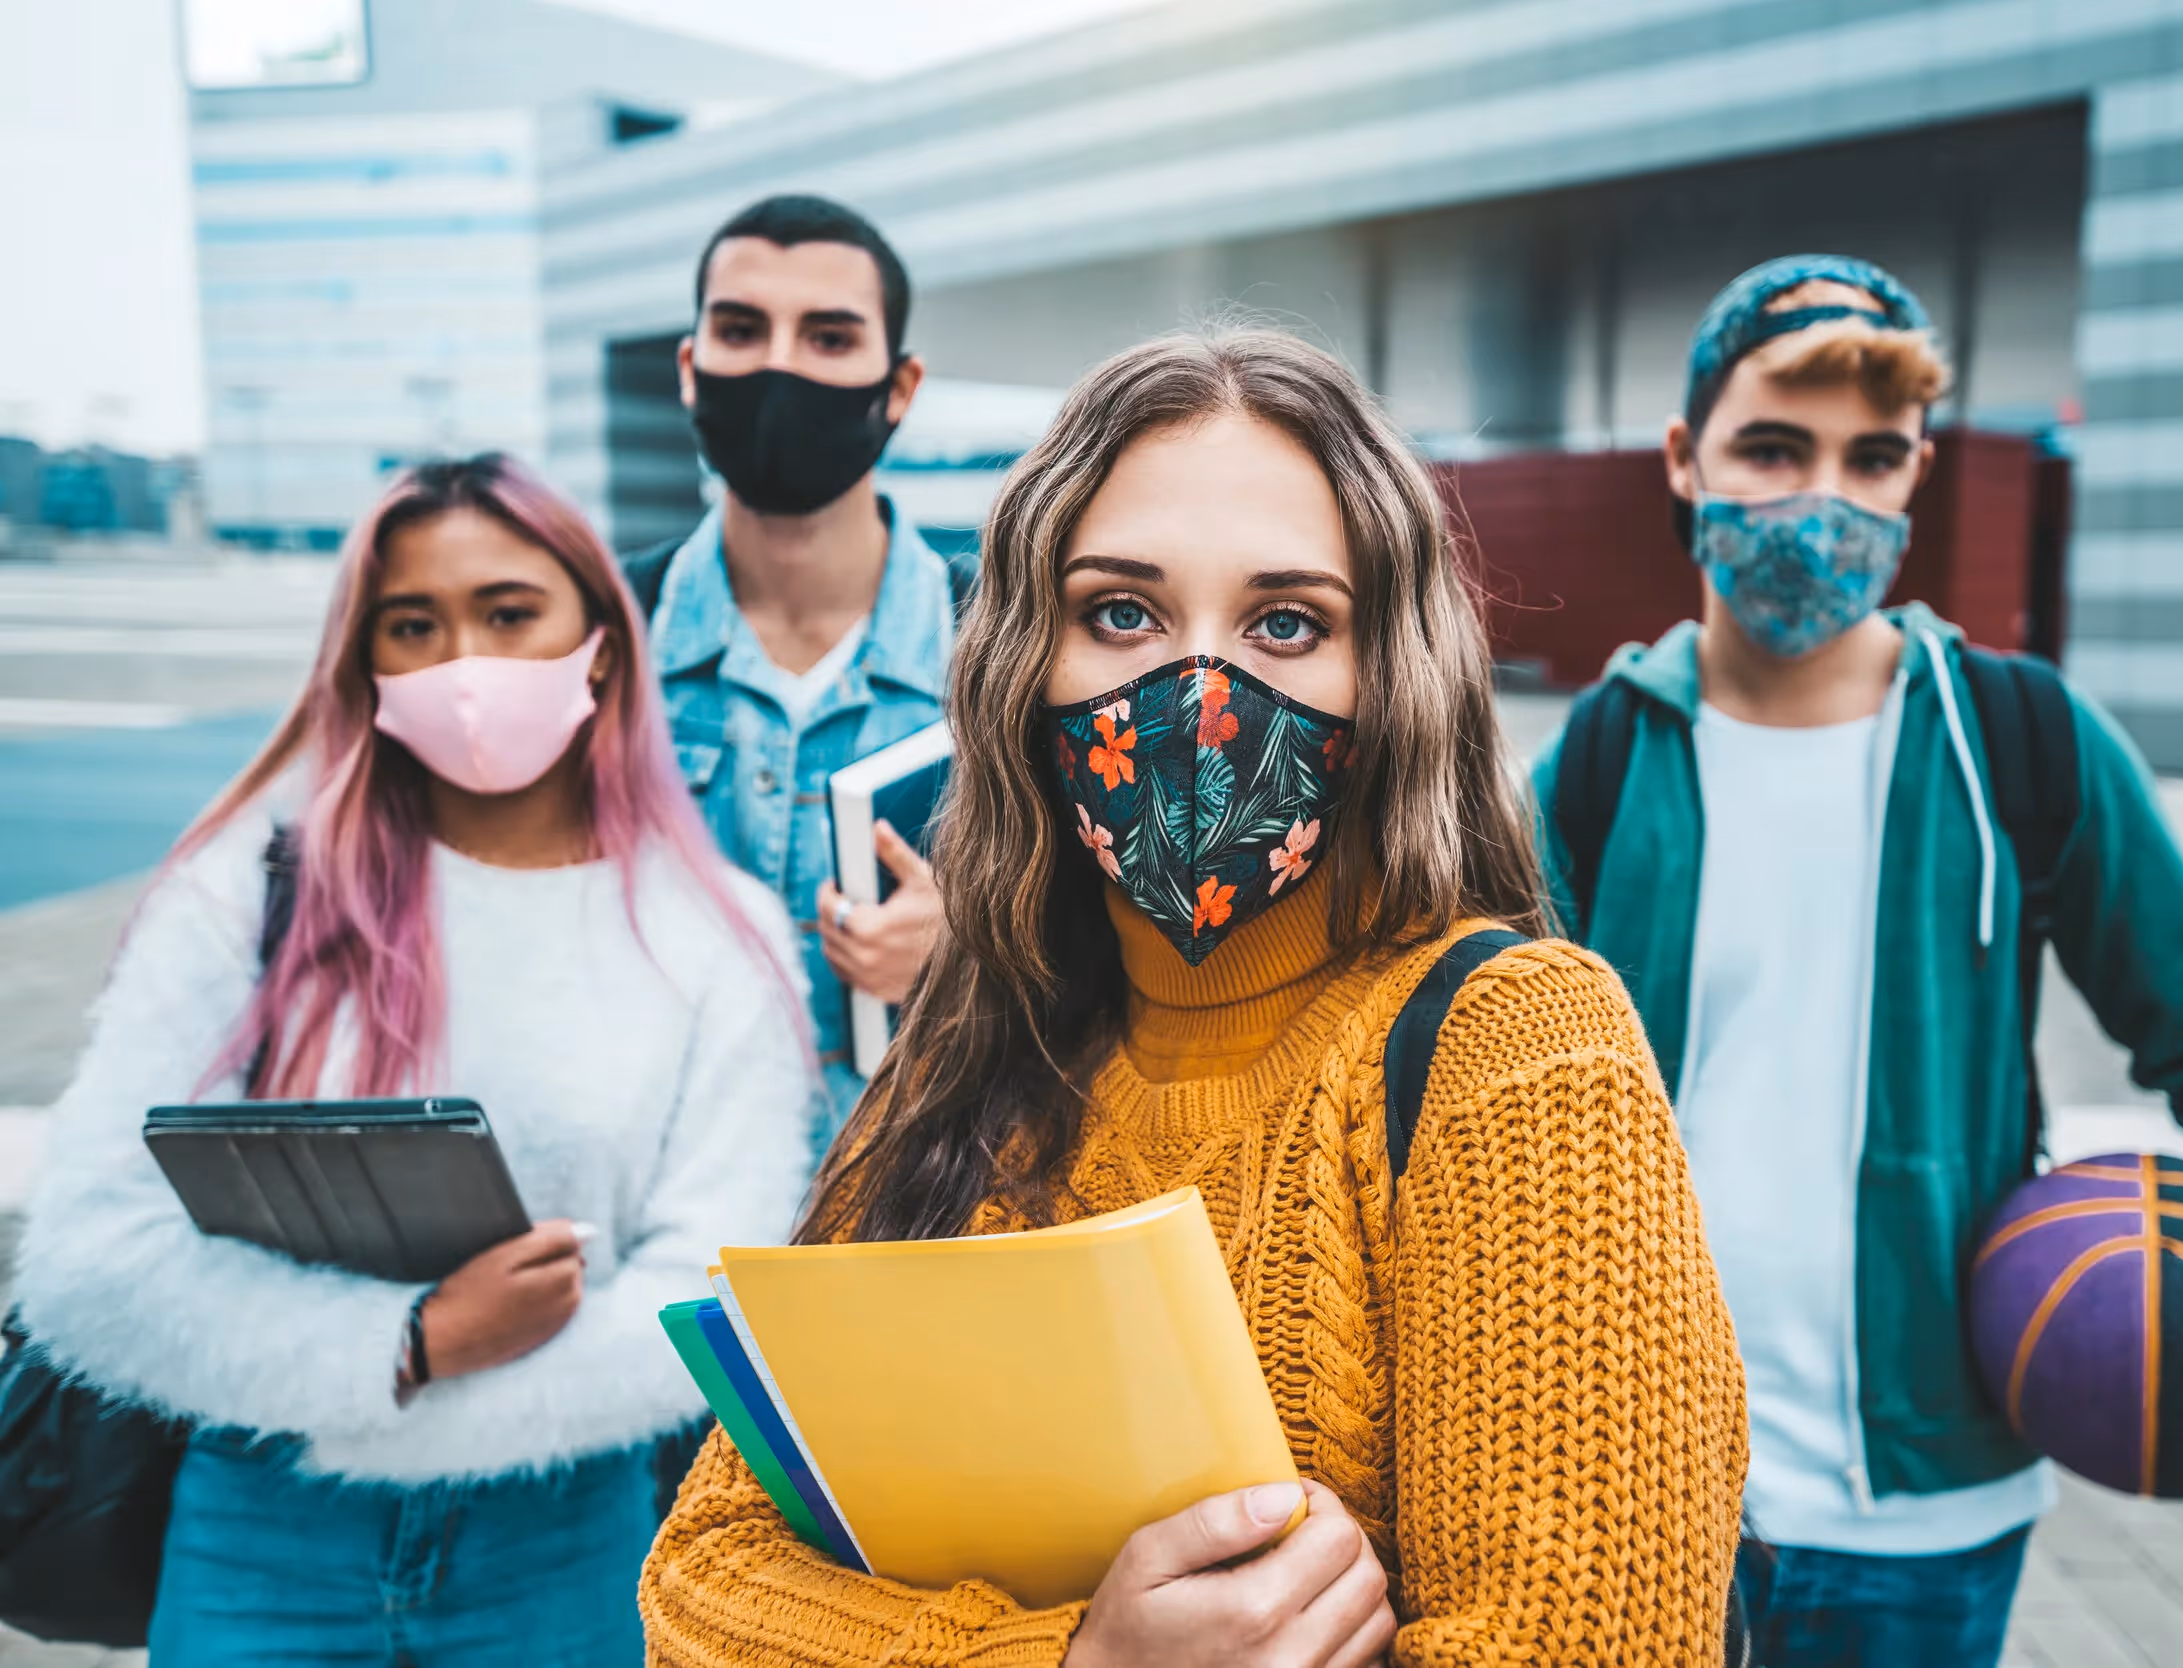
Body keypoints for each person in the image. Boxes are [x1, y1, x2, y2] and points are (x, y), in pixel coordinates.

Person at [638, 328, 1750, 1665]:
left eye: (1287, 623)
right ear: (1023, 668)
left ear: (1389, 679)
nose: (1201, 695)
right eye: (1122, 613)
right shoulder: (969, 1046)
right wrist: (1073, 1660)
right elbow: (701, 1582)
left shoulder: (1509, 1048)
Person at [1528, 254, 2183, 1667]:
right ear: (1682, 459)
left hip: (1924, 1514)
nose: (1821, 499)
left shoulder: (2020, 737)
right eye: (1771, 448)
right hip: (1626, 1492)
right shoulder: (1599, 759)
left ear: (1917, 476)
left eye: (1870, 458)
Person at [11, 454, 817, 1665]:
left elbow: (711, 1292)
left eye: (509, 612)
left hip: (566, 1544)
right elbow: (90, 1262)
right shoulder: (248, 894)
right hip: (259, 1530)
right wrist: (414, 1342)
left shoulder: (718, 934)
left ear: (601, 645)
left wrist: (415, 1387)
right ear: (366, 664)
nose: (464, 663)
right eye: (412, 625)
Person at [638, 192, 962, 1145]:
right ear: (691, 368)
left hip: (917, 1197)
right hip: (671, 1200)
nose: (780, 366)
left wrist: (971, 955)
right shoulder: (602, 642)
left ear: (899, 387)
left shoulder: (1005, 646)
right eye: (742, 330)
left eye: (829, 337)